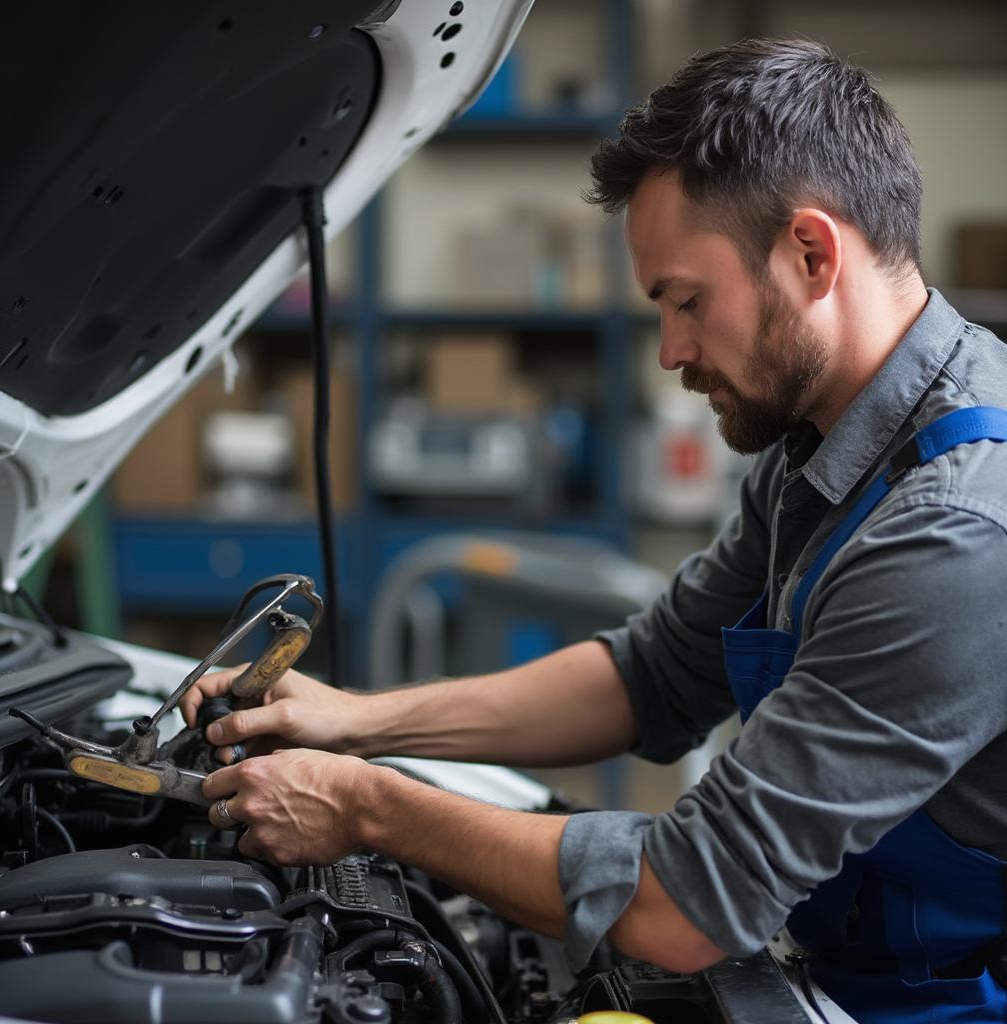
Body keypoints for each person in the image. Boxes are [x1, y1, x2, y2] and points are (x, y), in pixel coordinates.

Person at [183, 38, 1007, 1023]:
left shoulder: (953, 530)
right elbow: (650, 676)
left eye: (686, 302)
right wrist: (353, 721)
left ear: (811, 253)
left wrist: (366, 806)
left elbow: (684, 904)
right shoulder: (817, 446)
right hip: (829, 973)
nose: (669, 352)